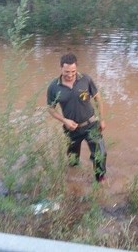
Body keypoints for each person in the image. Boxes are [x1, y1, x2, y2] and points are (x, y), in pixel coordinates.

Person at [47, 53, 107, 182]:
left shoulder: (86, 79)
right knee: (72, 160)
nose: (70, 75)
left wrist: (102, 119)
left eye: (73, 71)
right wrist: (64, 120)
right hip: (72, 129)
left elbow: (98, 99)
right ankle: (72, 179)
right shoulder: (53, 87)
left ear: (77, 68)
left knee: (100, 154)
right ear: (60, 68)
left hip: (91, 124)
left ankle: (100, 181)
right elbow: (50, 109)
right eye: (66, 72)